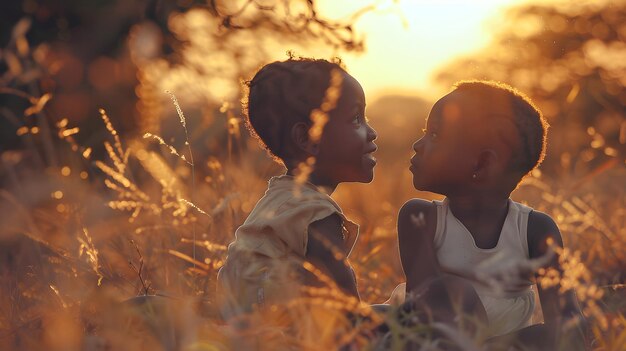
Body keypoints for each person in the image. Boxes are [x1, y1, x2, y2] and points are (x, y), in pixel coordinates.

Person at [397, 80, 586, 349]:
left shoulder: (535, 229)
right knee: (449, 292)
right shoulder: (420, 218)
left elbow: (567, 319)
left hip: (506, 345)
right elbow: (425, 309)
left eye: (435, 135)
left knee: (564, 332)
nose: (418, 144)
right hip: (433, 341)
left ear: (483, 163)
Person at [217, 58, 378, 322]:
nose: (371, 132)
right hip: (280, 333)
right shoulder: (315, 213)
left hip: (237, 323)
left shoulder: (276, 199)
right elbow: (344, 305)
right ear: (307, 138)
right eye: (356, 118)